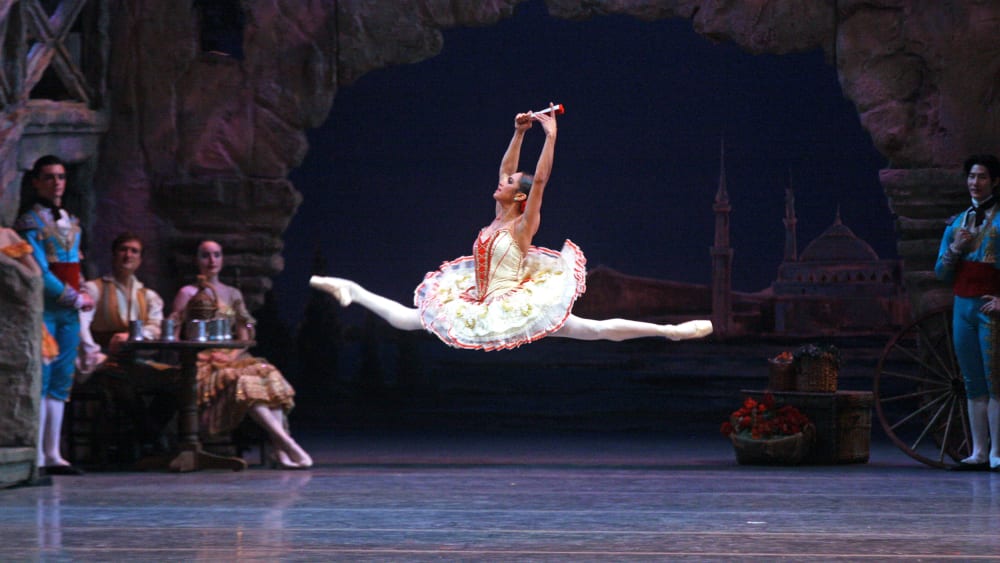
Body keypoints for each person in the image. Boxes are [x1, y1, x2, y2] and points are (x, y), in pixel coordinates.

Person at [310, 105, 713, 351]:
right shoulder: (496, 218)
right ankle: (352, 289)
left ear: (517, 197)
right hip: (479, 300)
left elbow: (536, 182)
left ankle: (672, 332)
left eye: (508, 183)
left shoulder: (522, 226)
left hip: (516, 304)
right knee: (411, 319)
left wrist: (550, 136)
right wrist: (519, 131)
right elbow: (509, 169)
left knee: (594, 330)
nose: (501, 181)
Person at [171, 240, 312, 469]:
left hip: (232, 358)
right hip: (204, 362)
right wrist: (193, 355)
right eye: (206, 255)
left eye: (216, 255)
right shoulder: (188, 293)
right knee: (247, 383)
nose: (211, 260)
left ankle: (281, 450)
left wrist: (233, 354)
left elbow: (244, 335)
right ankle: (288, 445)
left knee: (268, 374)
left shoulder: (232, 293)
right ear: (197, 260)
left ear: (222, 259)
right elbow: (174, 333)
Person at [14, 155, 94, 475]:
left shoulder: (71, 222)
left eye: (60, 176)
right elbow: (40, 272)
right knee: (43, 378)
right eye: (49, 177)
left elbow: (75, 262)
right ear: (36, 182)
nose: (56, 182)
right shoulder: (30, 222)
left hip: (68, 312)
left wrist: (83, 290)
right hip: (47, 309)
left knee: (62, 378)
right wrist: (73, 296)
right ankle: (34, 452)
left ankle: (53, 452)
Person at [78, 232, 178, 455]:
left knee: (178, 381)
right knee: (121, 382)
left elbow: (155, 326)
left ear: (140, 259)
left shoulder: (148, 296)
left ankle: (138, 436)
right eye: (123, 249)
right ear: (114, 254)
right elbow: (81, 325)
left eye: (134, 251)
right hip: (105, 359)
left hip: (138, 360)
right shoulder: (94, 289)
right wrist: (95, 351)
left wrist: (133, 336)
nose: (128, 255)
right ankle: (151, 438)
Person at [935, 153, 1000, 470]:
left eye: (982, 177)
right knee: (972, 382)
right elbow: (941, 273)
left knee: (995, 381)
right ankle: (978, 451)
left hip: (992, 309)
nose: (975, 183)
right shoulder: (957, 223)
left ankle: (997, 452)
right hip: (963, 306)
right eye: (972, 177)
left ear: (994, 181)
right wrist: (956, 248)